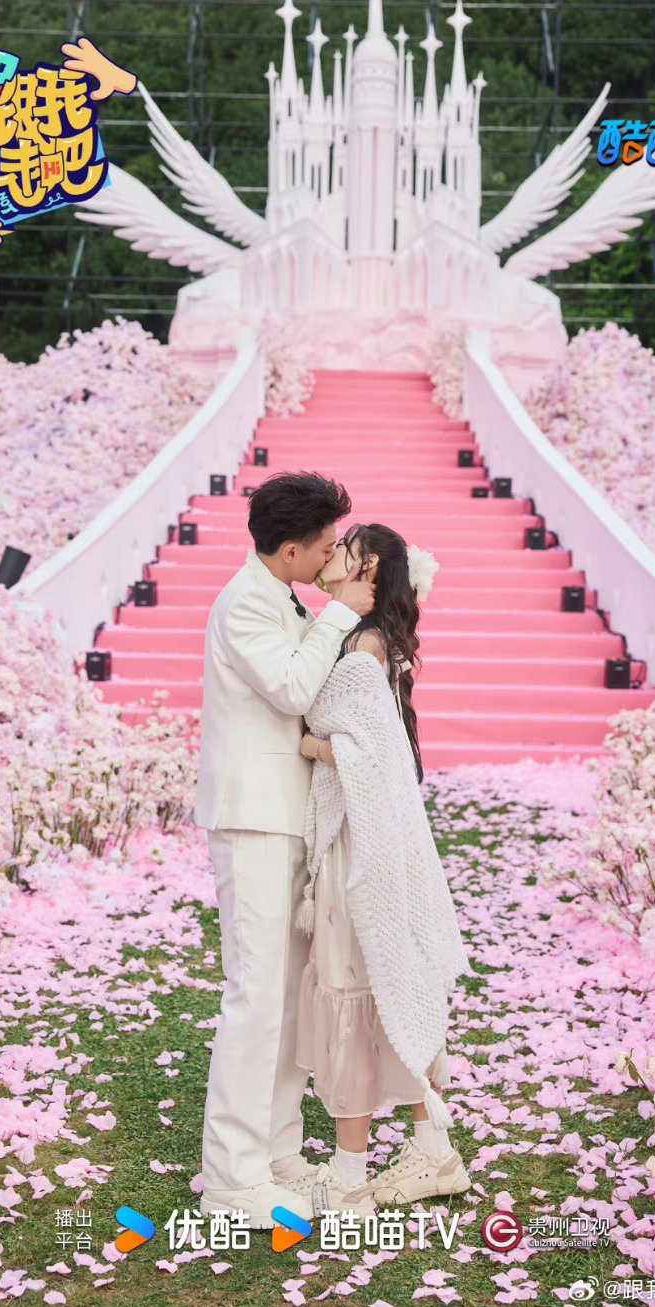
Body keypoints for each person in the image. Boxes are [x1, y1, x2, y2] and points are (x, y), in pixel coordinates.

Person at [194, 472, 376, 1229]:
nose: (333, 556)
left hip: (288, 815)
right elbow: (293, 690)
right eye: (326, 546)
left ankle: (275, 1152)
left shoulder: (284, 599)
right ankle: (229, 1173)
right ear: (291, 549)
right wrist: (340, 615)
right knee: (255, 994)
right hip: (252, 819)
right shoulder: (244, 604)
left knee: (286, 994)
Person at [286, 523, 471, 1218]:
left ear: (365, 570)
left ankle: (349, 1174)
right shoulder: (363, 641)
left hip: (358, 850)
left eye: (345, 547)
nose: (330, 553)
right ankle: (430, 1146)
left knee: (355, 988)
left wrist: (308, 743)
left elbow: (369, 759)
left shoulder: (361, 652)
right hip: (367, 842)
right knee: (388, 985)